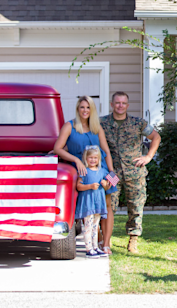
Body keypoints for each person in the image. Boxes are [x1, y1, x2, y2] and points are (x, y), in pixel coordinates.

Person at [100, 91, 161, 254]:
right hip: (112, 173)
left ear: (127, 105)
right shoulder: (102, 123)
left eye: (123, 103)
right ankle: (106, 238)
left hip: (134, 172)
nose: (120, 106)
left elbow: (156, 137)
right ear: (112, 105)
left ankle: (133, 239)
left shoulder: (138, 123)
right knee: (108, 206)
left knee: (136, 206)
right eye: (117, 103)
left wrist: (148, 157)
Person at [53, 96, 115, 254]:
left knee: (106, 206)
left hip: (101, 171)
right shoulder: (69, 126)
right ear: (77, 109)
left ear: (92, 110)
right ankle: (92, 242)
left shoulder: (97, 127)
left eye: (88, 107)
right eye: (82, 107)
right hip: (80, 172)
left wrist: (112, 173)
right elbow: (58, 148)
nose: (85, 110)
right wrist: (76, 160)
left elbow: (106, 151)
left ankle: (105, 243)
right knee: (87, 208)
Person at [74, 146, 115, 258]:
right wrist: (90, 186)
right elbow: (78, 186)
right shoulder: (84, 171)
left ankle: (96, 247)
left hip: (98, 204)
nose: (93, 160)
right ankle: (89, 248)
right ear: (86, 159)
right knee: (88, 226)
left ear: (99, 159)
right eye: (90, 158)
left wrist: (106, 184)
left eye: (95, 158)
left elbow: (113, 182)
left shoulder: (103, 171)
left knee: (96, 225)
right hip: (88, 203)